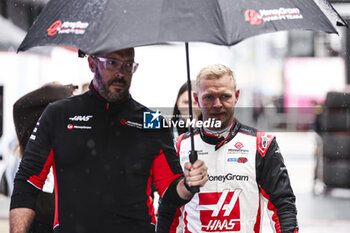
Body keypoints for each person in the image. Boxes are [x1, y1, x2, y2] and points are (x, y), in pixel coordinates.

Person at [9, 48, 208, 233]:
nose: (121, 73)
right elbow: (28, 180)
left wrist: (188, 184)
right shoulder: (58, 114)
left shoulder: (152, 121)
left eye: (128, 65)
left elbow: (170, 190)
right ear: (92, 64)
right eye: (112, 63)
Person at [158, 64, 298, 233]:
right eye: (209, 97)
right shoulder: (179, 146)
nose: (217, 104)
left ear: (236, 96)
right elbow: (168, 209)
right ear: (196, 99)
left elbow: (283, 205)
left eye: (225, 96)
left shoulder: (262, 144)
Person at [11, 82, 78, 233]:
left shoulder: (65, 135)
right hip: (39, 218)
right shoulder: (32, 135)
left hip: (55, 218)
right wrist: (70, 89)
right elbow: (21, 104)